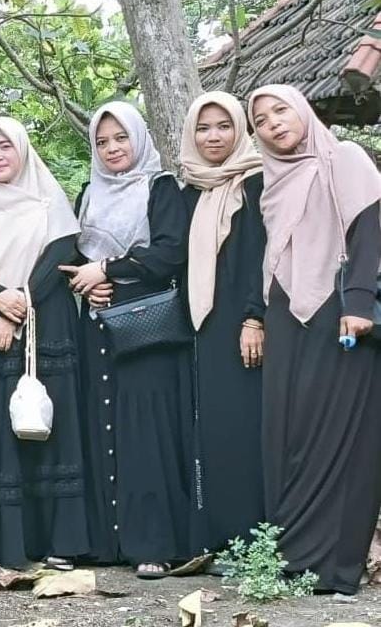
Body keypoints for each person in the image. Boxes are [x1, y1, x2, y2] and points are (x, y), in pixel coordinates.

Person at [248, 84, 381, 595]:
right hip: (285, 314)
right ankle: (295, 558)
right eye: (261, 119)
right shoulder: (271, 180)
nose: (274, 123)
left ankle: (337, 567)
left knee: (341, 439)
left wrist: (359, 304)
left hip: (337, 311)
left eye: (282, 110)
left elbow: (369, 229)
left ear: (302, 110)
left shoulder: (342, 157)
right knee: (291, 434)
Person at [61, 101, 194, 579]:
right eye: (102, 141)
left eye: (121, 138)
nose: (113, 148)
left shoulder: (161, 188)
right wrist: (90, 279)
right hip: (95, 324)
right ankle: (106, 542)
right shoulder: (88, 193)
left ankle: (153, 544)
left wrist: (109, 271)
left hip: (145, 327)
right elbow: (76, 252)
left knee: (145, 432)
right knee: (103, 427)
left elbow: (170, 253)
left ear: (138, 139)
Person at [0, 117, 88, 570]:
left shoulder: (47, 200)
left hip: (45, 323)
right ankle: (3, 545)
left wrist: (20, 304)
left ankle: (58, 542)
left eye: (5, 147)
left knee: (46, 426)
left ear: (23, 150)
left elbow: (60, 254)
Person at [177, 91, 266, 557]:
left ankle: (252, 539)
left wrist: (255, 317)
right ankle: (219, 540)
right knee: (210, 432)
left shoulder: (255, 181)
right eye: (204, 128)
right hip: (202, 326)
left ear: (239, 131)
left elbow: (260, 258)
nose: (214, 137)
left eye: (224, 126)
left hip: (242, 323)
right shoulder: (189, 189)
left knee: (243, 428)